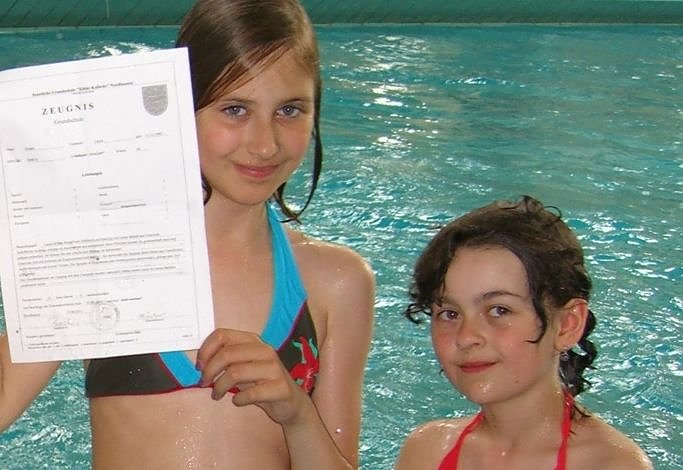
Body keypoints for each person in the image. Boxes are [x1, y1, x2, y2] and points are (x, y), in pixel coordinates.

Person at [0, 1, 374, 468]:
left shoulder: (336, 282)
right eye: (235, 109)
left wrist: (297, 414)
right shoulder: (103, 255)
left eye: (290, 110)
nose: (265, 144)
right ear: (178, 109)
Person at [395, 196, 652, 470]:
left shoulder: (612, 465)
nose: (466, 337)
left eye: (499, 310)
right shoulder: (427, 451)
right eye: (450, 314)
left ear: (567, 324)